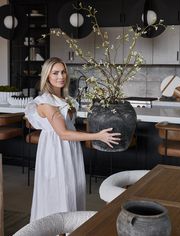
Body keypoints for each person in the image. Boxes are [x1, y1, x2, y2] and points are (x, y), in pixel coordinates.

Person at [25, 57, 121, 222]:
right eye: (55, 73)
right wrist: (98, 136)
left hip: (70, 150)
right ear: (47, 76)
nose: (60, 76)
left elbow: (70, 129)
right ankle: (53, 230)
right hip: (55, 152)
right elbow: (63, 133)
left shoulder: (67, 100)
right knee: (57, 194)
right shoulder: (46, 103)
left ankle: (71, 228)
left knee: (72, 191)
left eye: (63, 72)